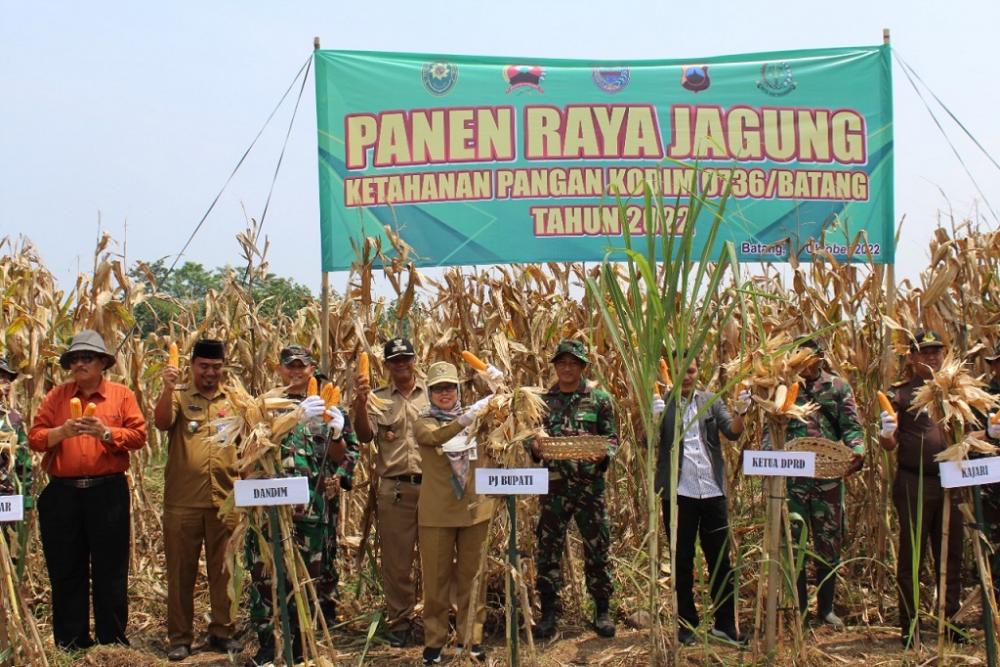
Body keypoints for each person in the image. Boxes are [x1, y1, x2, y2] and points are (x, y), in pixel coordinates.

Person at [27, 330, 146, 649]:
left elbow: (139, 436)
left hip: (107, 492)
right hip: (63, 493)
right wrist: (60, 432)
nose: (79, 363)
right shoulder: (57, 397)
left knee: (111, 569)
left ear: (103, 362)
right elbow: (35, 438)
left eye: (87, 358)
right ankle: (71, 641)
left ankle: (112, 641)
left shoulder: (122, 396)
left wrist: (107, 434)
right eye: (75, 359)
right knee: (66, 568)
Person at [246, 345, 359, 665]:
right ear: (279, 370)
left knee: (308, 579)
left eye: (302, 366)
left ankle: (303, 641)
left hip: (312, 510)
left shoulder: (329, 409)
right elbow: (246, 454)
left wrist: (336, 433)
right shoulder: (263, 407)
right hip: (270, 509)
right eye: (289, 366)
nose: (296, 372)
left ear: (312, 369)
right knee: (267, 577)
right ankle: (269, 642)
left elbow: (346, 459)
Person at [154, 339, 242, 661]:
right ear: (192, 366)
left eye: (216, 367)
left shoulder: (234, 400)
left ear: (223, 368)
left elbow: (248, 443)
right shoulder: (178, 396)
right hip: (183, 501)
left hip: (225, 500)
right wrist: (166, 388)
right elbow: (162, 422)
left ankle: (223, 631)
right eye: (203, 366)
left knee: (224, 571)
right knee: (181, 572)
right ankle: (180, 637)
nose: (210, 373)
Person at [653, 353, 748, 645]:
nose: (687, 377)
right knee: (682, 561)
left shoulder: (710, 400)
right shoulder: (663, 402)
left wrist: (742, 412)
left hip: (712, 491)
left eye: (692, 371)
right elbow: (649, 441)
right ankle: (687, 625)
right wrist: (654, 418)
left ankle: (724, 625)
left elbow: (732, 433)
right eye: (681, 371)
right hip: (679, 493)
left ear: (698, 372)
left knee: (720, 560)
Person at [879, 330, 966, 647]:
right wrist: (887, 432)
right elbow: (887, 444)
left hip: (952, 480)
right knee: (912, 557)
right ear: (912, 357)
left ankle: (951, 623)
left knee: (951, 555)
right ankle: (910, 626)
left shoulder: (956, 389)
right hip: (914, 481)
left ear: (944, 354)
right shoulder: (899, 394)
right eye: (924, 352)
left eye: (936, 351)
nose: (931, 356)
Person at [530, 339, 618, 639]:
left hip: (589, 488)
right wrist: (536, 448)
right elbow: (533, 439)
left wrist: (603, 452)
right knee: (548, 551)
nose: (567, 368)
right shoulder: (542, 400)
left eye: (573, 363)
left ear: (582, 367)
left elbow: (613, 440)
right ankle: (550, 614)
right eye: (562, 363)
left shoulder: (600, 400)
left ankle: (602, 610)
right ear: (555, 366)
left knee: (597, 548)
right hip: (553, 488)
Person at [413, 361, 495, 666]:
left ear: (458, 389)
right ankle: (434, 642)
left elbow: (506, 413)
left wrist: (497, 386)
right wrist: (467, 417)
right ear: (430, 393)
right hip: (437, 513)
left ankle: (470, 639)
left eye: (449, 387)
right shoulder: (424, 421)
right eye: (438, 389)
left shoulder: (477, 419)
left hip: (474, 510)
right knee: (436, 581)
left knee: (473, 580)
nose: (444, 393)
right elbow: (437, 438)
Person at [782, 339, 864, 628]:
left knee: (828, 541)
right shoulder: (783, 387)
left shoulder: (838, 388)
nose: (804, 362)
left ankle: (826, 609)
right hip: (793, 479)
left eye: (809, 356)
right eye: (798, 356)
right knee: (795, 543)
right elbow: (772, 427)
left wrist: (857, 449)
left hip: (827, 475)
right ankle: (800, 609)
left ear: (819, 358)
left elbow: (852, 428)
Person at [352, 337, 427, 647]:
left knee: (438, 557)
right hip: (394, 489)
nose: (401, 364)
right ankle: (401, 621)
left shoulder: (434, 394)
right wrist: (359, 403)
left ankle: (436, 619)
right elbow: (365, 436)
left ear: (414, 359)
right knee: (397, 562)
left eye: (405, 358)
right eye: (394, 360)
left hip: (432, 487)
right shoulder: (377, 399)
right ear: (386, 365)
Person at [0, 356, 33, 567]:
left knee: (6, 557)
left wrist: (27, 501)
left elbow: (23, 463)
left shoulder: (13, 419)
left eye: (6, 380)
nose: (4, 386)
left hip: (6, 497)